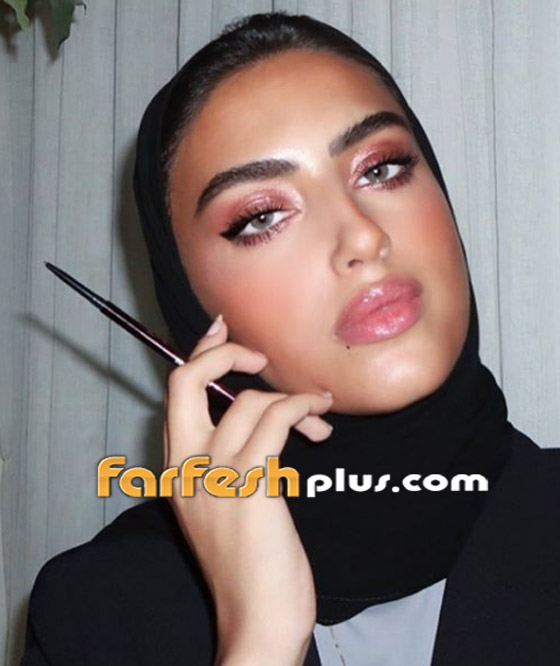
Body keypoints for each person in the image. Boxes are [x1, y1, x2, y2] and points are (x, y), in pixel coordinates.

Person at [21, 12, 560, 666]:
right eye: (262, 216)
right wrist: (257, 639)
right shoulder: (94, 616)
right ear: (190, 302)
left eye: (382, 169)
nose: (362, 236)